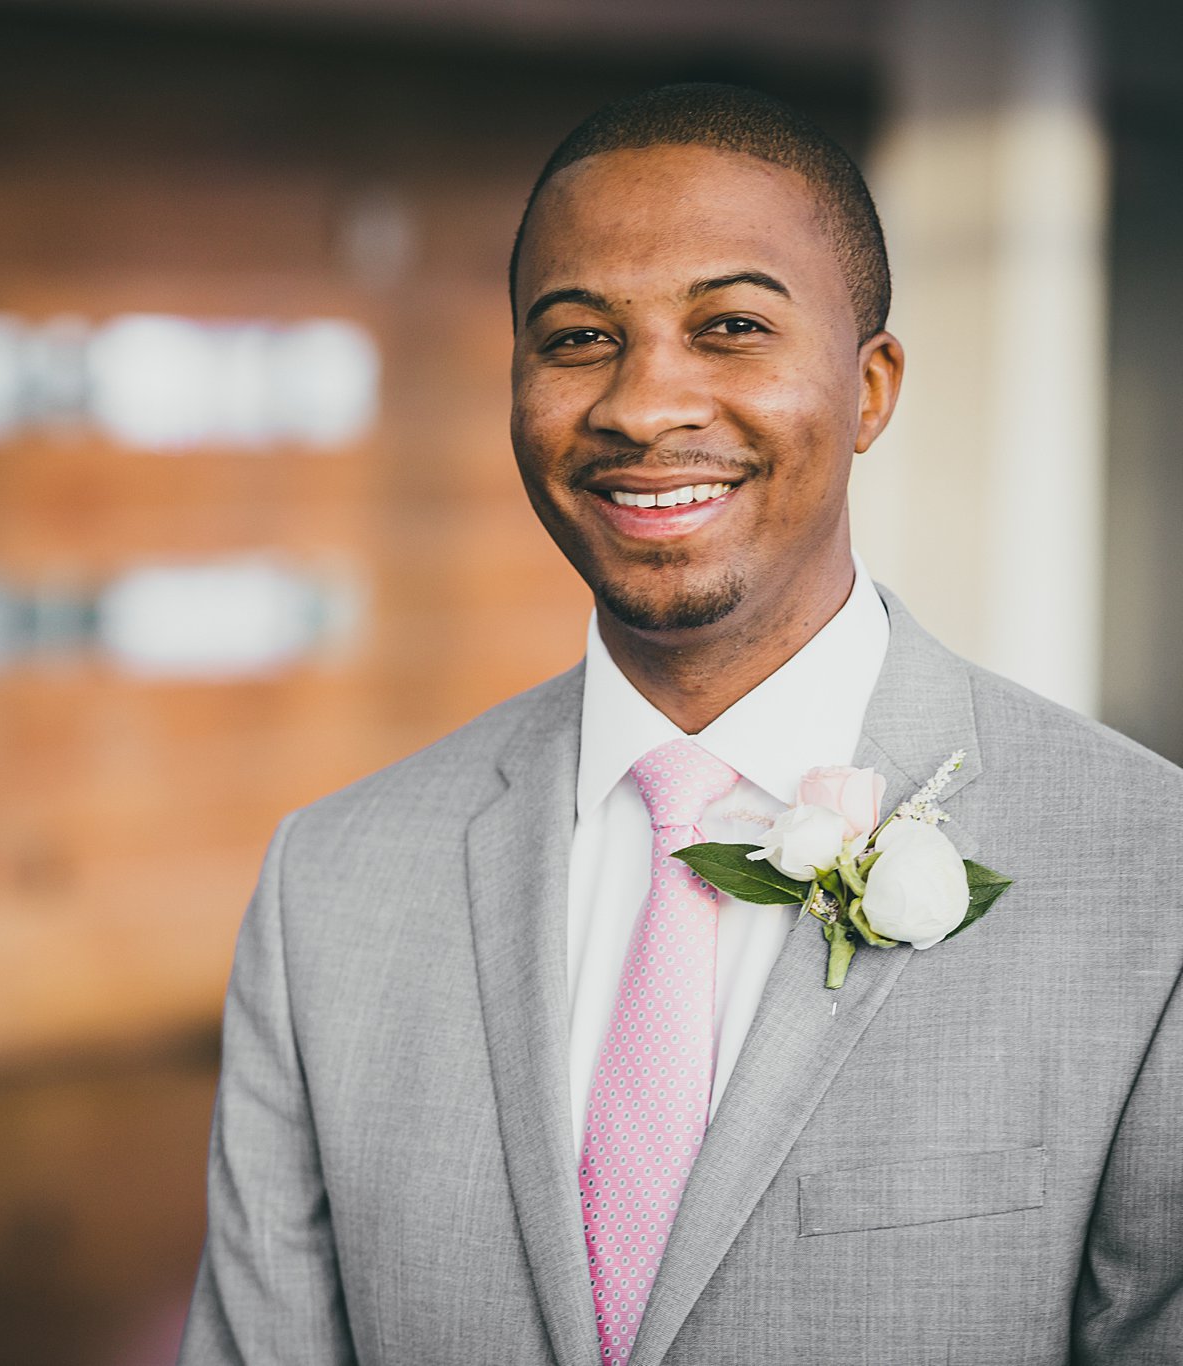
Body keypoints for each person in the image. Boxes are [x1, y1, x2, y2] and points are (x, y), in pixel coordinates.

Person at [178, 83, 1183, 1366]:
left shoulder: (1149, 875)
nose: (643, 407)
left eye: (728, 326)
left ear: (869, 388)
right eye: (577, 339)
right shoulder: (327, 883)